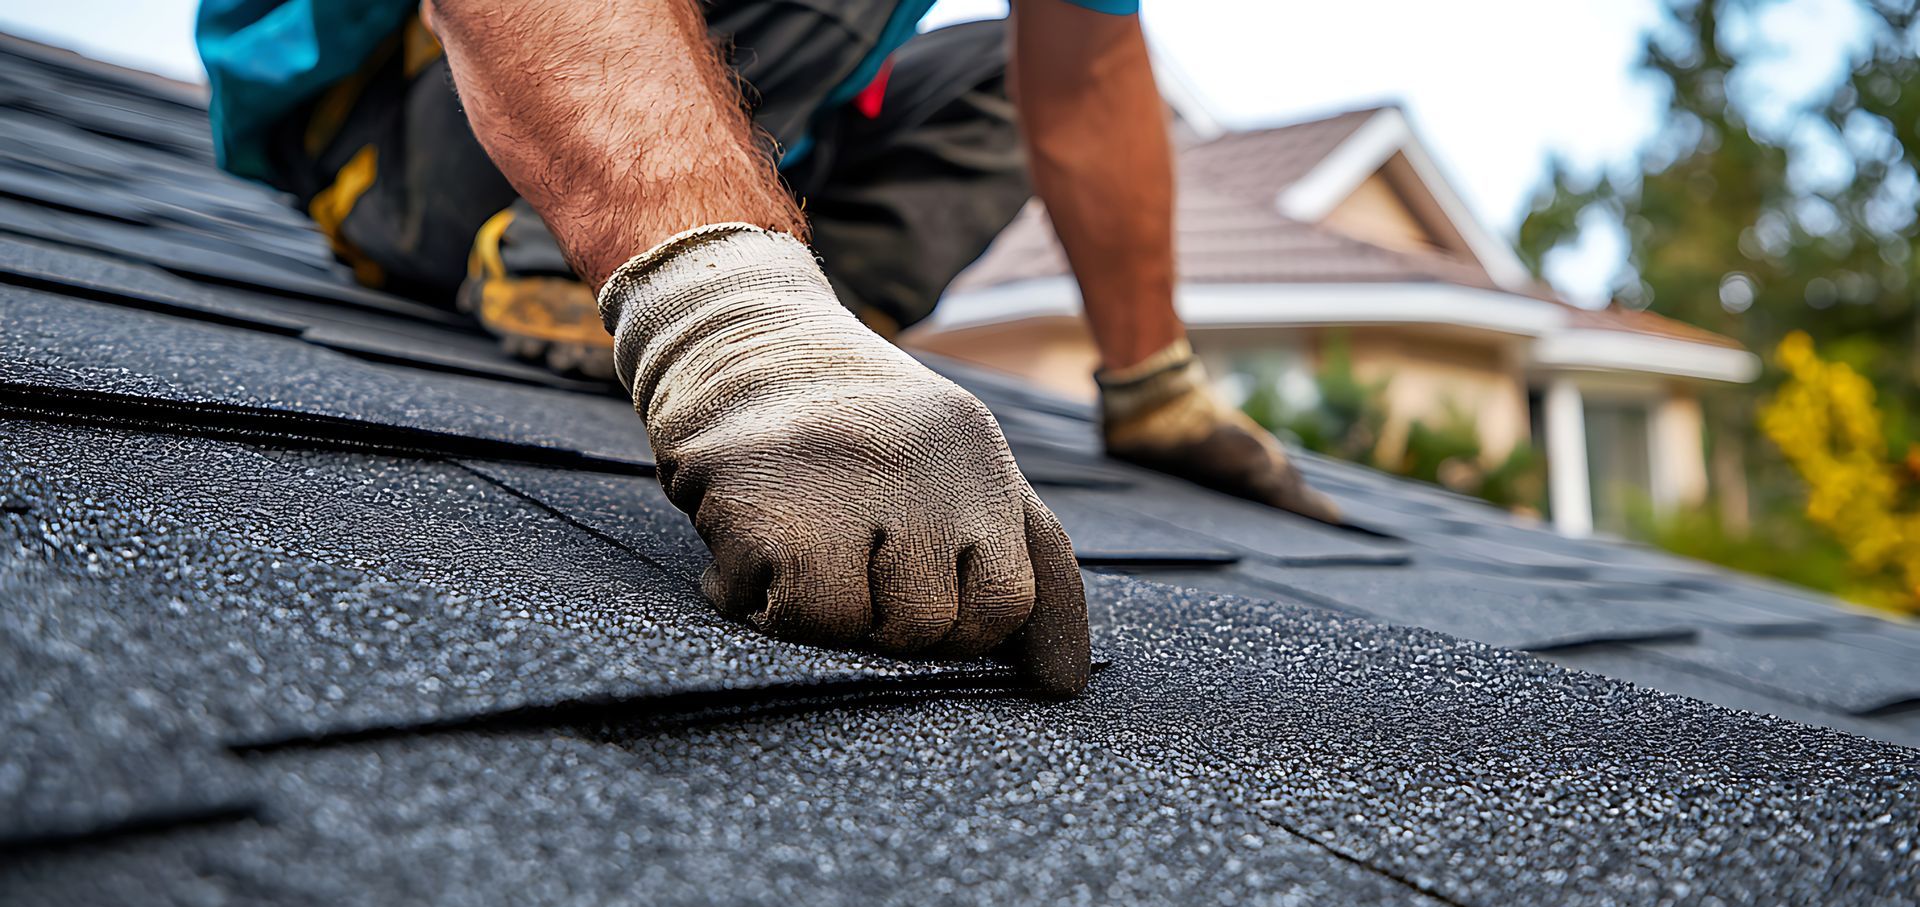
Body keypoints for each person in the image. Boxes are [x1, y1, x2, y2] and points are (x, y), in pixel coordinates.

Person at [195, 0, 1338, 696]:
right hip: (410, 114)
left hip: (742, 89)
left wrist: (1157, 385)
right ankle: (598, 245)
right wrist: (727, 317)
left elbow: (1085, 76)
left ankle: (804, 299)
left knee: (1004, 65)